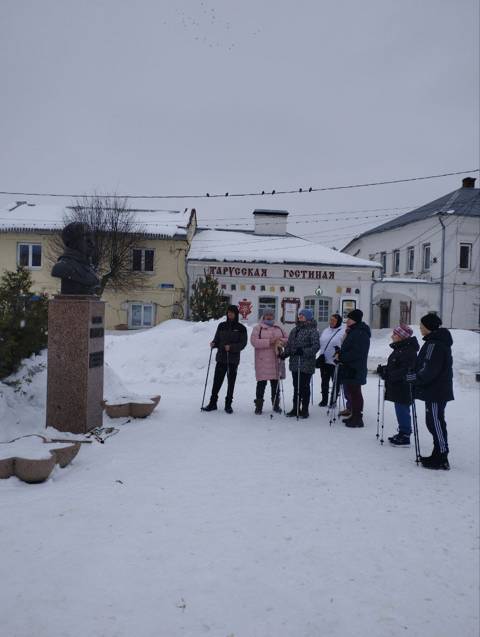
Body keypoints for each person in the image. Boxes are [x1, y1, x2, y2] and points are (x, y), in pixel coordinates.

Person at [406, 314, 453, 470]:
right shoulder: (434, 342)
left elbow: (429, 369)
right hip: (434, 389)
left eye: (422, 325)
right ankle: (437, 453)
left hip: (436, 390)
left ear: (428, 327)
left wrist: (414, 377)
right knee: (433, 421)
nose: (420, 328)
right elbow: (424, 364)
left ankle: (441, 456)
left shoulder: (435, 344)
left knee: (435, 422)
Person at [376, 324, 419, 446]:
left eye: (395, 334)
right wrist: (384, 369)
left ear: (401, 337)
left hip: (403, 386)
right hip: (398, 385)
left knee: (402, 410)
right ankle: (402, 432)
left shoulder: (408, 351)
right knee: (400, 409)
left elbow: (405, 370)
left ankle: (405, 435)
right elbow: (395, 366)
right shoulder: (400, 349)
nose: (392, 336)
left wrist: (387, 374)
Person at [203, 305, 248, 414]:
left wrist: (231, 347)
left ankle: (228, 404)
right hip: (221, 358)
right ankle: (212, 403)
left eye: (232, 312)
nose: (230, 314)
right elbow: (217, 339)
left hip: (233, 359)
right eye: (228, 312)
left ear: (236, 314)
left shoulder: (241, 328)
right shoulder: (221, 325)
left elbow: (243, 344)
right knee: (216, 382)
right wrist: (214, 343)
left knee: (231, 383)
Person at [281, 308, 320, 418]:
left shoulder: (313, 330)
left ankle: (305, 409)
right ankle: (295, 408)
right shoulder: (295, 330)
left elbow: (316, 346)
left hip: (306, 363)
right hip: (295, 362)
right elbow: (289, 345)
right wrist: (285, 354)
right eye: (299, 315)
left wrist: (303, 351)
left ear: (308, 317)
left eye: (302, 316)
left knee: (304, 386)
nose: (300, 317)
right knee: (296, 386)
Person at [335, 308, 371, 428]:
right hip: (350, 367)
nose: (347, 321)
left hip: (355, 368)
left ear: (355, 320)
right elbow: (348, 347)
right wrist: (340, 352)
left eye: (349, 319)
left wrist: (342, 357)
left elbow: (357, 352)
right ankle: (353, 415)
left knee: (355, 393)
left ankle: (357, 418)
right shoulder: (353, 331)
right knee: (352, 392)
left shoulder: (361, 333)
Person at [250, 310, 288, 414]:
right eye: (267, 315)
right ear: (263, 316)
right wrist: (270, 341)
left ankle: (276, 405)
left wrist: (280, 341)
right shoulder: (258, 328)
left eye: (271, 315)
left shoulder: (279, 327)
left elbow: (287, 339)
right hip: (262, 361)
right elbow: (254, 342)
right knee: (261, 385)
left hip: (276, 360)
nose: (269, 317)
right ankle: (258, 406)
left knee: (275, 385)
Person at [316, 313, 344, 407]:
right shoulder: (326, 330)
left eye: (334, 320)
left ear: (338, 321)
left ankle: (333, 400)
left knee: (335, 381)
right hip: (324, 360)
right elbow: (321, 343)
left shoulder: (342, 331)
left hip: (335, 361)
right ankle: (324, 399)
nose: (331, 322)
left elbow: (344, 345)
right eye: (330, 320)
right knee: (324, 381)